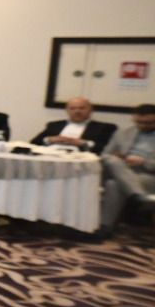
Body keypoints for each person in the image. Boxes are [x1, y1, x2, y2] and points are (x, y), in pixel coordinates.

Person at [101, 104, 155, 234]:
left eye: (149, 123)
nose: (143, 126)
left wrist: (143, 162)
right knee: (112, 160)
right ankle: (137, 194)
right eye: (139, 122)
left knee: (113, 184)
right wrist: (122, 158)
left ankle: (105, 227)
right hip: (122, 168)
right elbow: (105, 154)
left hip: (147, 175)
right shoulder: (123, 133)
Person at [33, 97, 118, 153]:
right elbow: (33, 143)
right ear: (67, 110)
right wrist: (50, 140)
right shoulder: (54, 125)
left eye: (82, 108)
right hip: (52, 155)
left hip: (81, 159)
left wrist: (82, 143)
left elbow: (107, 149)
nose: (77, 111)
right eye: (72, 108)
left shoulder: (104, 127)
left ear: (90, 110)